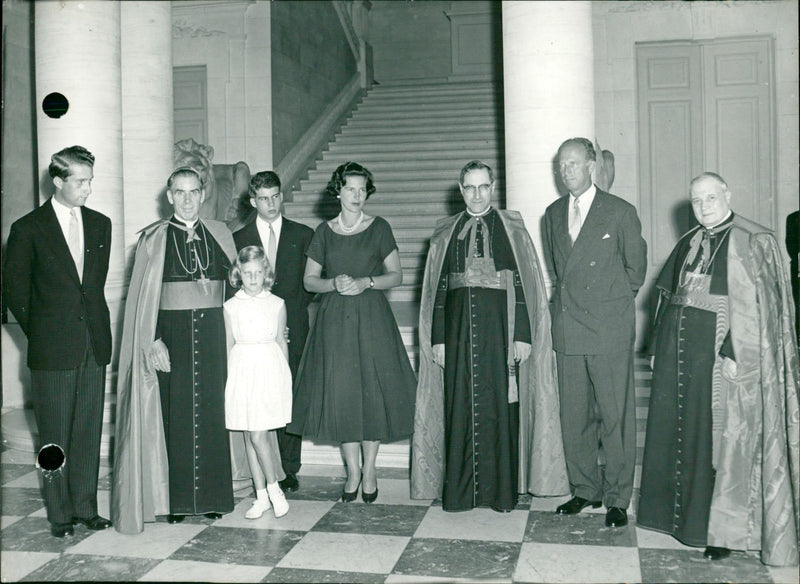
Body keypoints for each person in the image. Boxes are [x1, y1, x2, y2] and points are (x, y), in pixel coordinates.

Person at [638, 172, 799, 565]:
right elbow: (667, 298)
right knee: (684, 436)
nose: (704, 206)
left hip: (720, 362)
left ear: (727, 193)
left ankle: (720, 532)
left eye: (711, 197)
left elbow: (761, 308)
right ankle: (681, 521)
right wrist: (657, 346)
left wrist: (732, 351)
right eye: (697, 200)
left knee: (719, 445)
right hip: (679, 360)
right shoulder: (688, 241)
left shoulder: (752, 240)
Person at [412, 160, 568, 512]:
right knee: (459, 408)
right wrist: (438, 338)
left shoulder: (512, 228)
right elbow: (436, 291)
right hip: (457, 333)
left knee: (501, 410)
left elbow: (524, 284)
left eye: (483, 187)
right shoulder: (445, 232)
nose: (477, 194)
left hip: (502, 333)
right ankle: (461, 493)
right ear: (460, 189)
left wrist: (523, 334)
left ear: (493, 187)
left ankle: (500, 493)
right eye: (470, 187)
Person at [112, 167, 237, 533]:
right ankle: (178, 501)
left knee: (215, 412)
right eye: (178, 193)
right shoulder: (153, 239)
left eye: (192, 192)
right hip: (172, 339)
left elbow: (240, 287)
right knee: (176, 415)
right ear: (169, 196)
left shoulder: (221, 234)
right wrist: (151, 340)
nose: (186, 199)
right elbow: (143, 301)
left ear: (202, 194)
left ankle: (214, 499)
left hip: (215, 337)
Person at [287, 161, 416, 503]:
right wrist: (334, 283)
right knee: (343, 396)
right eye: (350, 189)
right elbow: (308, 280)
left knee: (370, 394)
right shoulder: (323, 232)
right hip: (335, 321)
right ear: (338, 191)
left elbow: (397, 275)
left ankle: (370, 470)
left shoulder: (380, 227)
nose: (357, 195)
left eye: (362, 189)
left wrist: (366, 282)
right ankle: (352, 472)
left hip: (372, 317)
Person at [3, 145, 112, 538]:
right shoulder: (28, 228)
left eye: (90, 181)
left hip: (93, 345)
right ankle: (59, 515)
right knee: (54, 438)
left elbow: (92, 289)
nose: (88, 189)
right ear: (59, 180)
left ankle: (86, 508)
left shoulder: (101, 224)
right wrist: (46, 332)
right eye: (80, 182)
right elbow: (15, 292)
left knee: (87, 432)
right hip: (52, 349)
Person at [542, 137, 647, 528]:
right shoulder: (552, 214)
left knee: (615, 416)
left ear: (591, 165)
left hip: (607, 330)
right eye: (560, 165)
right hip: (569, 329)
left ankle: (618, 497)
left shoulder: (619, 211)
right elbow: (559, 270)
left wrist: (609, 307)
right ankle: (585, 489)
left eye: (572, 163)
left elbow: (635, 271)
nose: (565, 170)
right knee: (575, 416)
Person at [233, 171, 313, 492]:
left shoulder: (303, 234)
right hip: (254, 335)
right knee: (261, 398)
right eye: (264, 198)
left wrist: (288, 318)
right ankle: (266, 468)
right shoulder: (238, 238)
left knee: (289, 396)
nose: (271, 203)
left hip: (293, 326)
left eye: (276, 196)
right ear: (253, 201)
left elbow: (309, 286)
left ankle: (289, 468)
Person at [224, 246, 292, 519]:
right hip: (242, 369)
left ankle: (275, 490)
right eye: (247, 273)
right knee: (248, 435)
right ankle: (262, 495)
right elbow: (229, 344)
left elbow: (281, 342)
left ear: (266, 274)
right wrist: (229, 381)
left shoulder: (277, 303)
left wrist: (284, 377)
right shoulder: (230, 306)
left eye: (258, 273)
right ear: (239, 274)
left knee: (258, 434)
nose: (253, 278)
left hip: (268, 369)